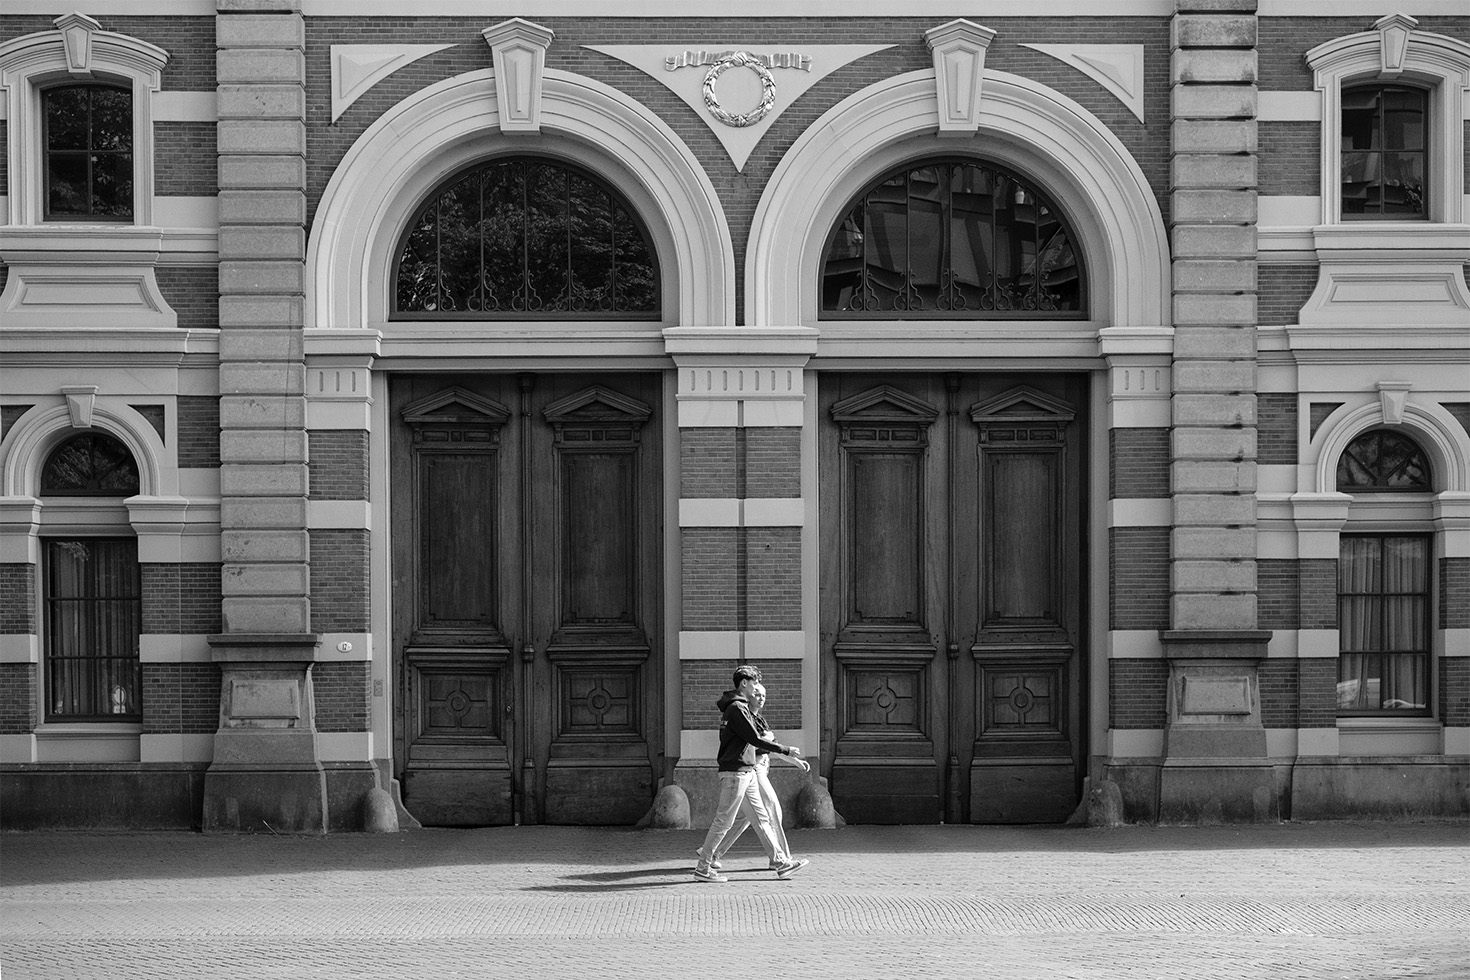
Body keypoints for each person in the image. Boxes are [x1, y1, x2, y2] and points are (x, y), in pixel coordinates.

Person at [694, 665, 810, 882]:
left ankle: (781, 863)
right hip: (736, 772)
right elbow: (755, 739)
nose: (757, 688)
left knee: (762, 817)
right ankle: (703, 868)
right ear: (744, 683)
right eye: (755, 683)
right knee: (724, 821)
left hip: (745, 772)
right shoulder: (737, 709)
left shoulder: (739, 708)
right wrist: (786, 750)